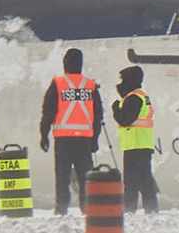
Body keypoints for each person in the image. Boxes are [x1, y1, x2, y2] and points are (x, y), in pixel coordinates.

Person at [40, 48, 103, 215]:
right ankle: (87, 209)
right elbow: (98, 115)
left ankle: (61, 209)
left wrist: (43, 135)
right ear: (81, 64)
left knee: (62, 177)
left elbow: (48, 111)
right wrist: (95, 139)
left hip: (63, 140)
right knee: (85, 177)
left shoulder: (58, 84)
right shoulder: (90, 85)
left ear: (64, 64)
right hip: (84, 140)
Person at [112, 64, 159, 214]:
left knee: (132, 182)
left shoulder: (133, 98)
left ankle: (130, 210)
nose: (120, 83)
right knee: (145, 180)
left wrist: (115, 109)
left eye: (122, 80)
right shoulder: (141, 96)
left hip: (135, 145)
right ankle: (151, 209)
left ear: (129, 81)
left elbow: (124, 120)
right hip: (141, 144)